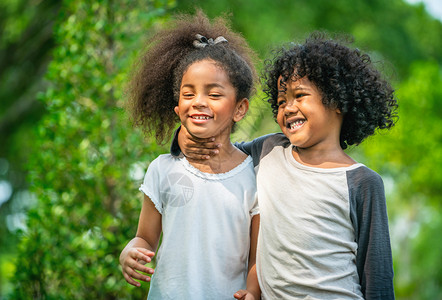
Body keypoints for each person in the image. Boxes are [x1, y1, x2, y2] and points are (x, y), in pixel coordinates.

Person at [175, 32, 398, 299]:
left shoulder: (362, 182)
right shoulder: (269, 150)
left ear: (337, 101)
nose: (288, 108)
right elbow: (217, 150)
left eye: (299, 95)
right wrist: (181, 138)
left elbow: (378, 274)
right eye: (281, 101)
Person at [119, 11, 261, 300]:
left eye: (214, 93)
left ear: (240, 108)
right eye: (188, 93)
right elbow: (145, 236)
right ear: (177, 107)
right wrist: (130, 250)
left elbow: (256, 258)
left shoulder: (254, 176)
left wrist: (253, 291)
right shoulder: (162, 169)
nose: (198, 101)